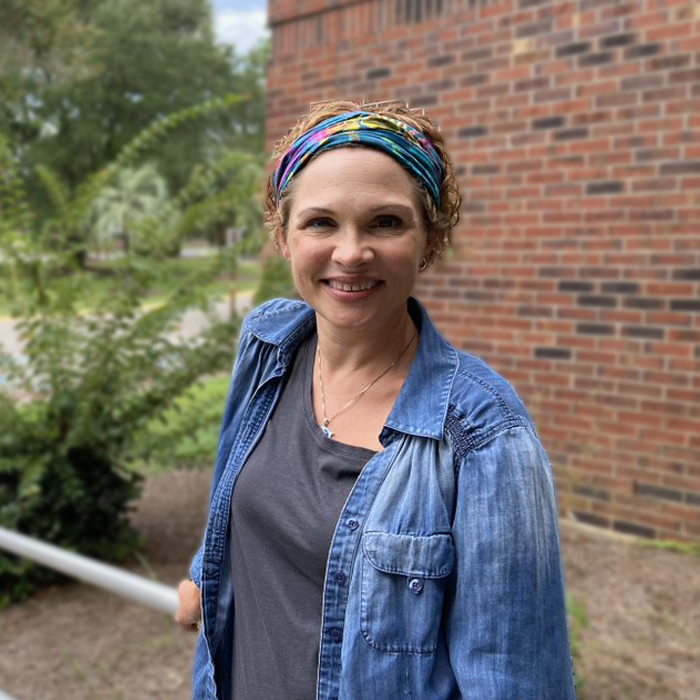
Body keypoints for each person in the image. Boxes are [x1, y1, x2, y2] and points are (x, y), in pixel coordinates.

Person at [176, 100, 576, 700]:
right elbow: (240, 494)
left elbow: (515, 680)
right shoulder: (267, 344)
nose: (350, 253)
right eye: (320, 223)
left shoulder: (485, 434)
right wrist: (203, 574)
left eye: (385, 223)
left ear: (429, 240)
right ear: (283, 237)